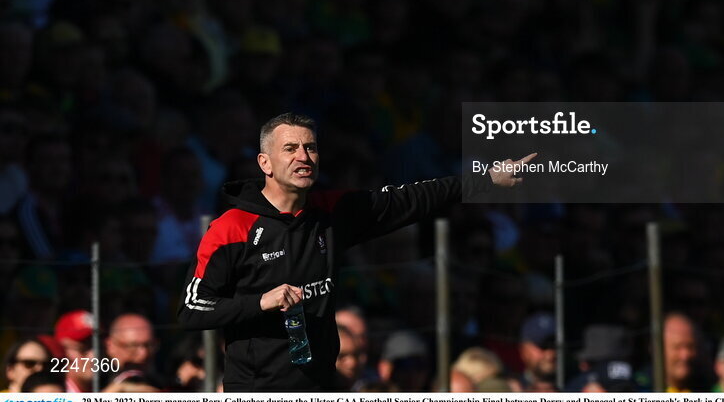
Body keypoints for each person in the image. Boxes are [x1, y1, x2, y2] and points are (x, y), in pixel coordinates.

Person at [178, 112, 532, 392]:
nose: (304, 156)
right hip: (256, 388)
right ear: (264, 163)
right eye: (290, 148)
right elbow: (192, 311)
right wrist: (260, 302)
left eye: (311, 147)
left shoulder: (332, 211)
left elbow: (411, 198)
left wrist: (483, 180)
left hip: (323, 385)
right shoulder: (232, 227)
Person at [517, 312, 557, 390]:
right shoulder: (510, 390)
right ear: (523, 350)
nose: (550, 353)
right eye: (542, 346)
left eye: (554, 345)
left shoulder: (577, 387)